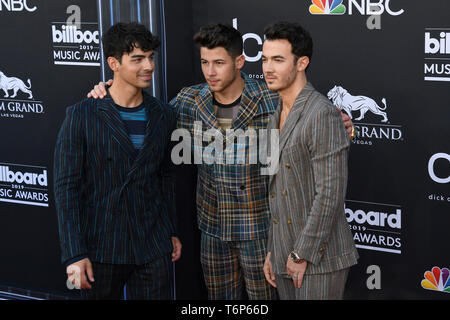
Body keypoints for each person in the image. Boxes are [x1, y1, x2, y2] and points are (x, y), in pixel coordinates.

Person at [88, 23, 354, 300]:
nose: (210, 72)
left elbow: (310, 120)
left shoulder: (270, 98)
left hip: (260, 230)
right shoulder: (189, 101)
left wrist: (344, 123)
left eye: (218, 63)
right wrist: (108, 89)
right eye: (204, 62)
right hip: (213, 230)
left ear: (239, 61)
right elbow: (150, 118)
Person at [54, 22, 181, 300]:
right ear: (114, 63)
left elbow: (166, 178)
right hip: (101, 248)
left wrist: (170, 231)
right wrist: (74, 253)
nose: (148, 66)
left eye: (151, 57)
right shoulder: (82, 115)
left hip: (152, 246)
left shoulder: (165, 114)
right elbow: (66, 189)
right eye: (137, 59)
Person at [261, 21, 359, 300]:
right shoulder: (273, 116)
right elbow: (277, 192)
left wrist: (301, 253)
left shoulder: (322, 114)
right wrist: (274, 250)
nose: (268, 68)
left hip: (319, 258)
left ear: (301, 62)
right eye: (265, 59)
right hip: (285, 254)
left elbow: (329, 193)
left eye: (278, 60)